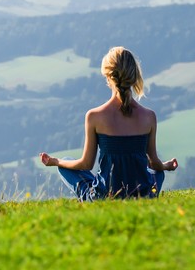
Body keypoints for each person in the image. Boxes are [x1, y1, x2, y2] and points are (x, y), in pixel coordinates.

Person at [40, 46, 178, 201]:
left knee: (67, 162)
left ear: (108, 77)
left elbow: (85, 164)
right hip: (143, 195)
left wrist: (55, 161)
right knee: (156, 173)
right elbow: (154, 163)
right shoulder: (149, 116)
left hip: (105, 196)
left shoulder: (94, 116)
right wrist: (166, 166)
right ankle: (146, 196)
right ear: (135, 76)